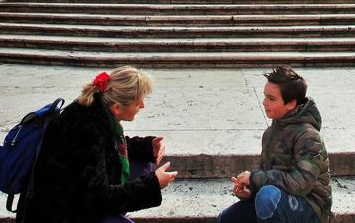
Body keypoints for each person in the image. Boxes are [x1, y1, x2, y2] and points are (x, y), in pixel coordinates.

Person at [16, 66, 177, 223]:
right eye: (138, 102)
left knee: (142, 164)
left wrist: (147, 146)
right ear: (117, 108)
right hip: (58, 213)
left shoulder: (95, 111)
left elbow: (107, 146)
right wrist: (152, 185)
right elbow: (98, 198)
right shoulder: (86, 129)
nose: (142, 105)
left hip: (74, 199)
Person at [217, 66, 331, 223]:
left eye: (271, 99)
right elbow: (268, 177)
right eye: (265, 97)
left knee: (268, 198)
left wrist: (255, 178)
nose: (264, 103)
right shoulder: (270, 133)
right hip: (279, 198)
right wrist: (249, 191)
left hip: (310, 207)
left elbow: (301, 183)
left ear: (291, 103)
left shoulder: (309, 136)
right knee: (227, 218)